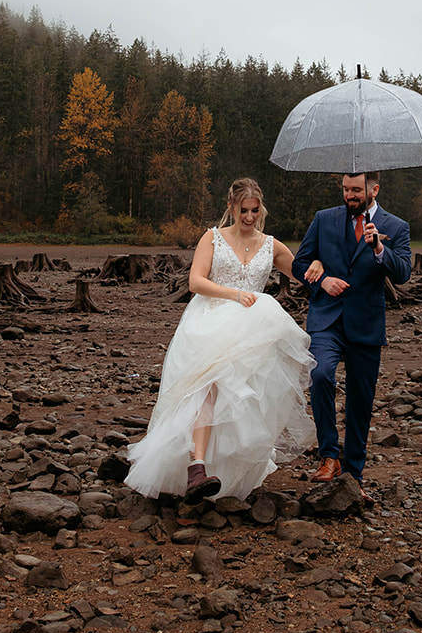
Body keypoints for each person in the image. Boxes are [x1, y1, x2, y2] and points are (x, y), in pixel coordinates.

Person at [125, 178, 317, 503]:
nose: (249, 217)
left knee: (243, 399)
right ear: (231, 207)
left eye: (255, 210)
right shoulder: (212, 238)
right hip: (210, 322)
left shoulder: (271, 245)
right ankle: (197, 467)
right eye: (244, 210)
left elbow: (303, 273)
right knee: (207, 387)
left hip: (253, 330)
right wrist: (235, 294)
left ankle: (230, 470)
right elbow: (196, 281)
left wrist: (317, 265)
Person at [293, 171, 411, 498]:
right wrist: (321, 280)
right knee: (321, 375)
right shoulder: (323, 219)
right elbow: (299, 263)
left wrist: (378, 250)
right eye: (345, 189)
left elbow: (403, 273)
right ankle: (329, 456)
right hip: (326, 319)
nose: (350, 195)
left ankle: (354, 473)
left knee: (361, 400)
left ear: (374, 189)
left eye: (356, 190)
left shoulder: (396, 227)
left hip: (366, 324)